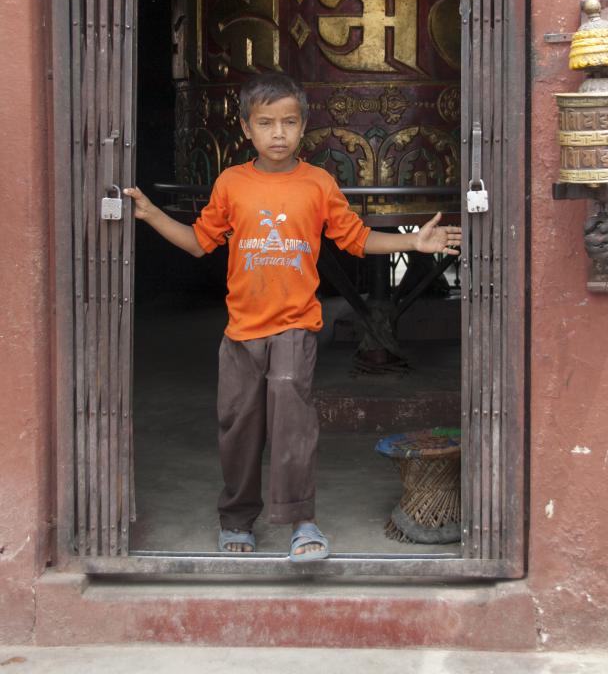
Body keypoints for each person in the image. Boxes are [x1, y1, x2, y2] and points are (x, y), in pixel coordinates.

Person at [124, 74, 461, 563]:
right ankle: (237, 517)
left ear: (303, 127)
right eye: (265, 123)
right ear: (246, 129)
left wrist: (413, 242)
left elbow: (357, 239)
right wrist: (152, 214)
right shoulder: (232, 183)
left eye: (288, 122)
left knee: (292, 419)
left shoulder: (318, 184)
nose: (277, 133)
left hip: (295, 325)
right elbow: (199, 241)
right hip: (241, 330)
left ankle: (303, 521)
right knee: (238, 426)